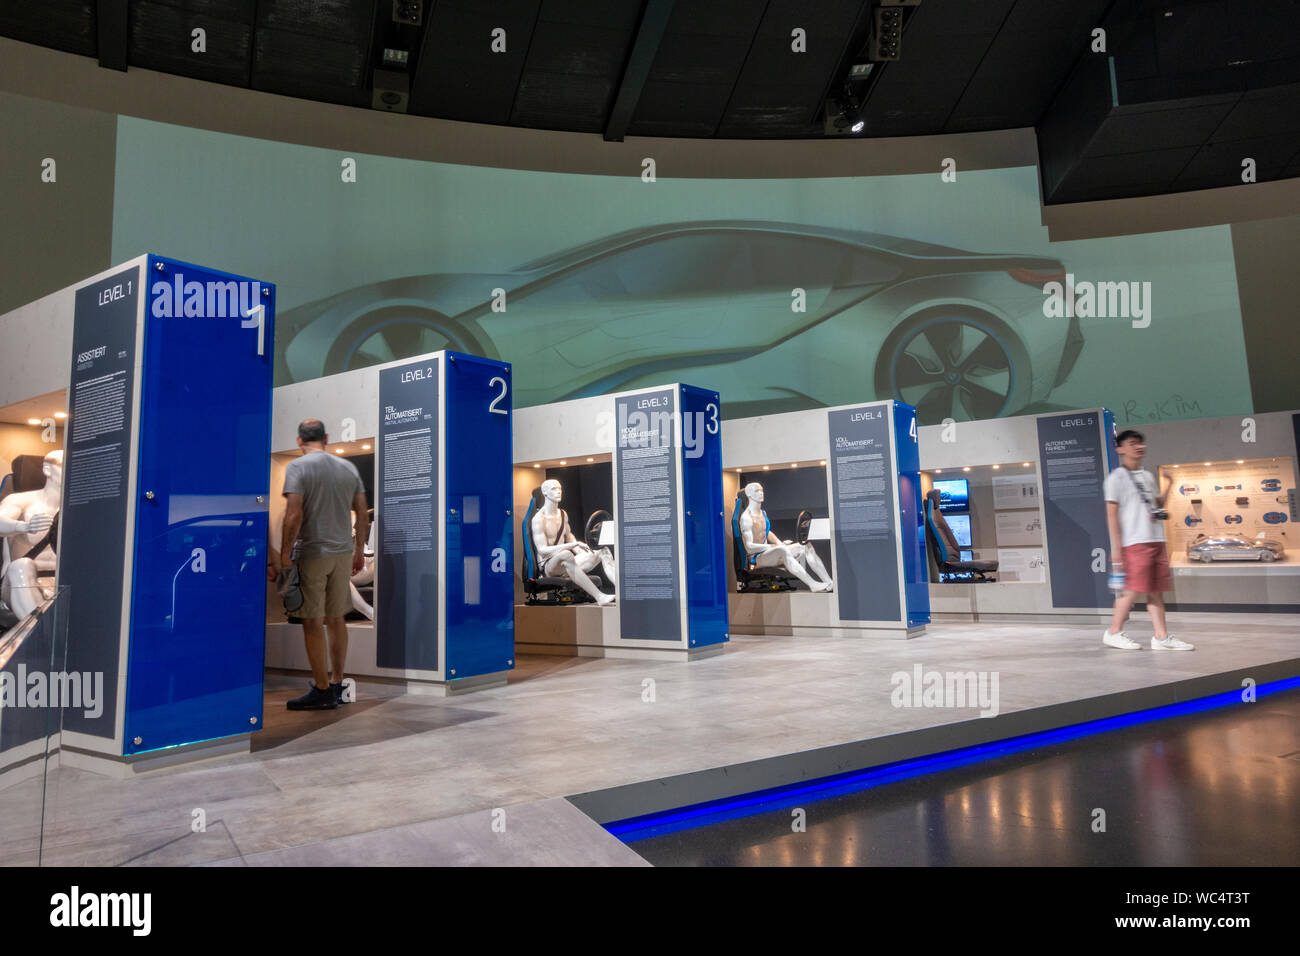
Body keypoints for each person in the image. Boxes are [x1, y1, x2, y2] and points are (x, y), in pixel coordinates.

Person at [279, 419, 369, 709]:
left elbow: (293, 515)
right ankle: (337, 681)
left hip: (313, 551)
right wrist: (358, 550)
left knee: (312, 621)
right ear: (327, 438)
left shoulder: (297, 467)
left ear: (299, 441)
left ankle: (321, 690)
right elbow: (362, 514)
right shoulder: (347, 468)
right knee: (336, 618)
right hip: (343, 552)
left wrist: (284, 552)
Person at [1101, 430, 1193, 651]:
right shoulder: (1116, 479)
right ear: (1120, 448)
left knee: (1156, 590)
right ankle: (1113, 632)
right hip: (1134, 542)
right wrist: (1116, 548)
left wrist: (1169, 486)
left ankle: (1161, 638)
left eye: (1140, 443)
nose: (1138, 447)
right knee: (1130, 590)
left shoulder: (1147, 477)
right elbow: (1111, 515)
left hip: (1156, 539)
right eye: (1132, 443)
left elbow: (1157, 504)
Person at [0, 450, 62, 622]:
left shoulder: (79, 508)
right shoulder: (20, 501)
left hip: (60, 584)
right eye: (64, 466)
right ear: (48, 469)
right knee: (22, 565)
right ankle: (39, 634)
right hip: (16, 584)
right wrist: (23, 526)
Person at [530, 479, 614, 606]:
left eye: (560, 489)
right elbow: (542, 549)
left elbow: (569, 537)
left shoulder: (563, 514)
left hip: (566, 564)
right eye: (554, 489)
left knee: (602, 550)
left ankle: (623, 591)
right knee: (566, 554)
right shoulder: (538, 519)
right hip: (548, 566)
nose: (558, 492)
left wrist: (582, 551)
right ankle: (599, 596)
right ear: (545, 492)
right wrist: (572, 545)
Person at [740, 482, 834, 592]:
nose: (761, 493)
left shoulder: (763, 513)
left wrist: (780, 543)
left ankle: (829, 582)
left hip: (769, 553)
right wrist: (774, 546)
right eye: (757, 491)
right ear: (749, 494)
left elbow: (767, 532)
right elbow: (749, 547)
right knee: (781, 550)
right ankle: (812, 584)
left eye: (761, 490)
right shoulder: (746, 518)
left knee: (804, 545)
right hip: (756, 558)